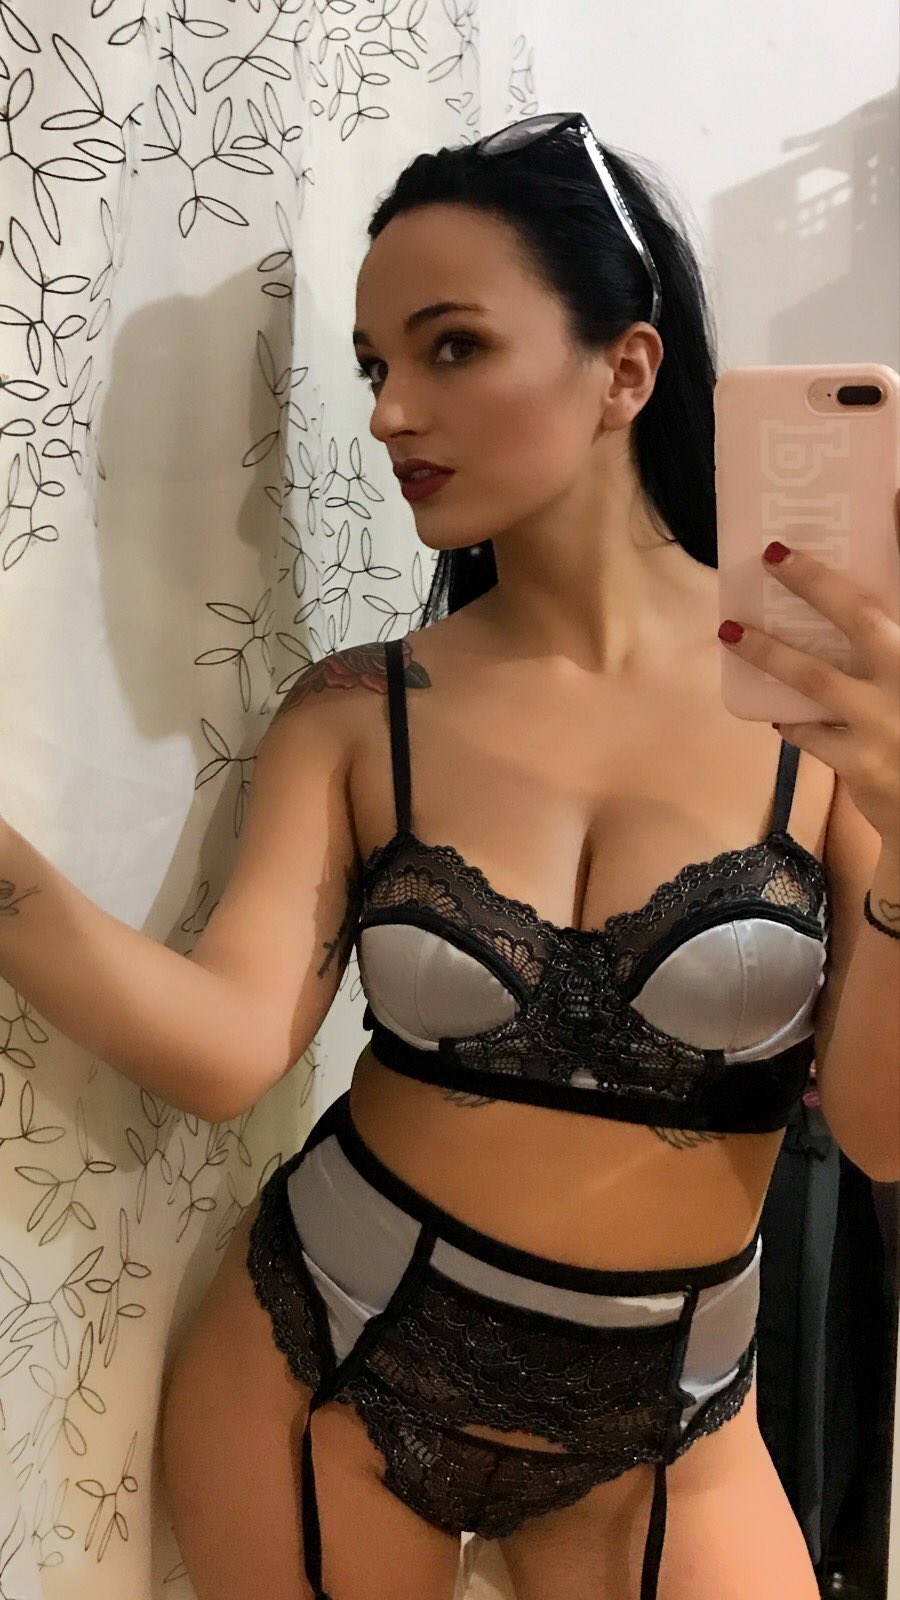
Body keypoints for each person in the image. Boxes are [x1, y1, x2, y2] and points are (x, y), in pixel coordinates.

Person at [3, 114, 897, 1600]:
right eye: (374, 367)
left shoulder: (829, 707)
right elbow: (229, 1050)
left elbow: (880, 1134)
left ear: (627, 368)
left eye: (453, 348)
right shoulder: (362, 712)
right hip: (327, 1364)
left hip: (668, 1425)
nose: (391, 415)